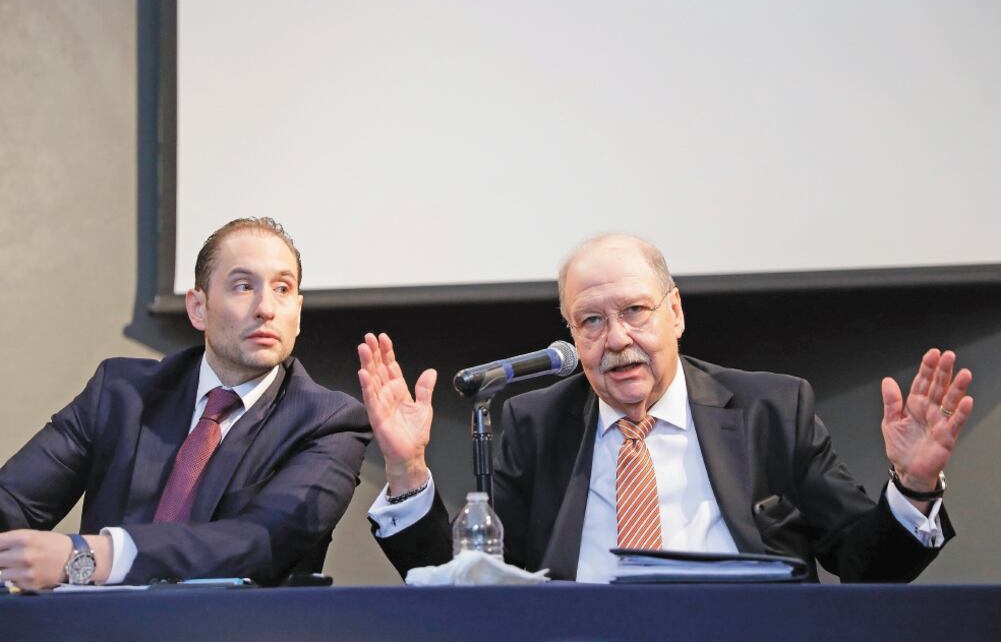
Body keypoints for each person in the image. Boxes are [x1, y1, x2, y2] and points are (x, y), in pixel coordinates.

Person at [358, 233, 972, 582]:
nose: (616, 339)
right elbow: (465, 583)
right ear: (571, 334)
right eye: (590, 321)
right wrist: (407, 469)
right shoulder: (535, 423)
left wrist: (914, 486)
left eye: (635, 311)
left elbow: (867, 565)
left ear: (674, 312)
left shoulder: (770, 410)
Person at [0, 217, 370, 589]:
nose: (266, 308)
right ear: (198, 307)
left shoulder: (329, 422)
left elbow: (262, 541)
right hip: (100, 620)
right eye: (244, 286)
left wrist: (93, 555)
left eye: (282, 289)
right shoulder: (120, 393)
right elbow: (12, 502)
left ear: (298, 313)